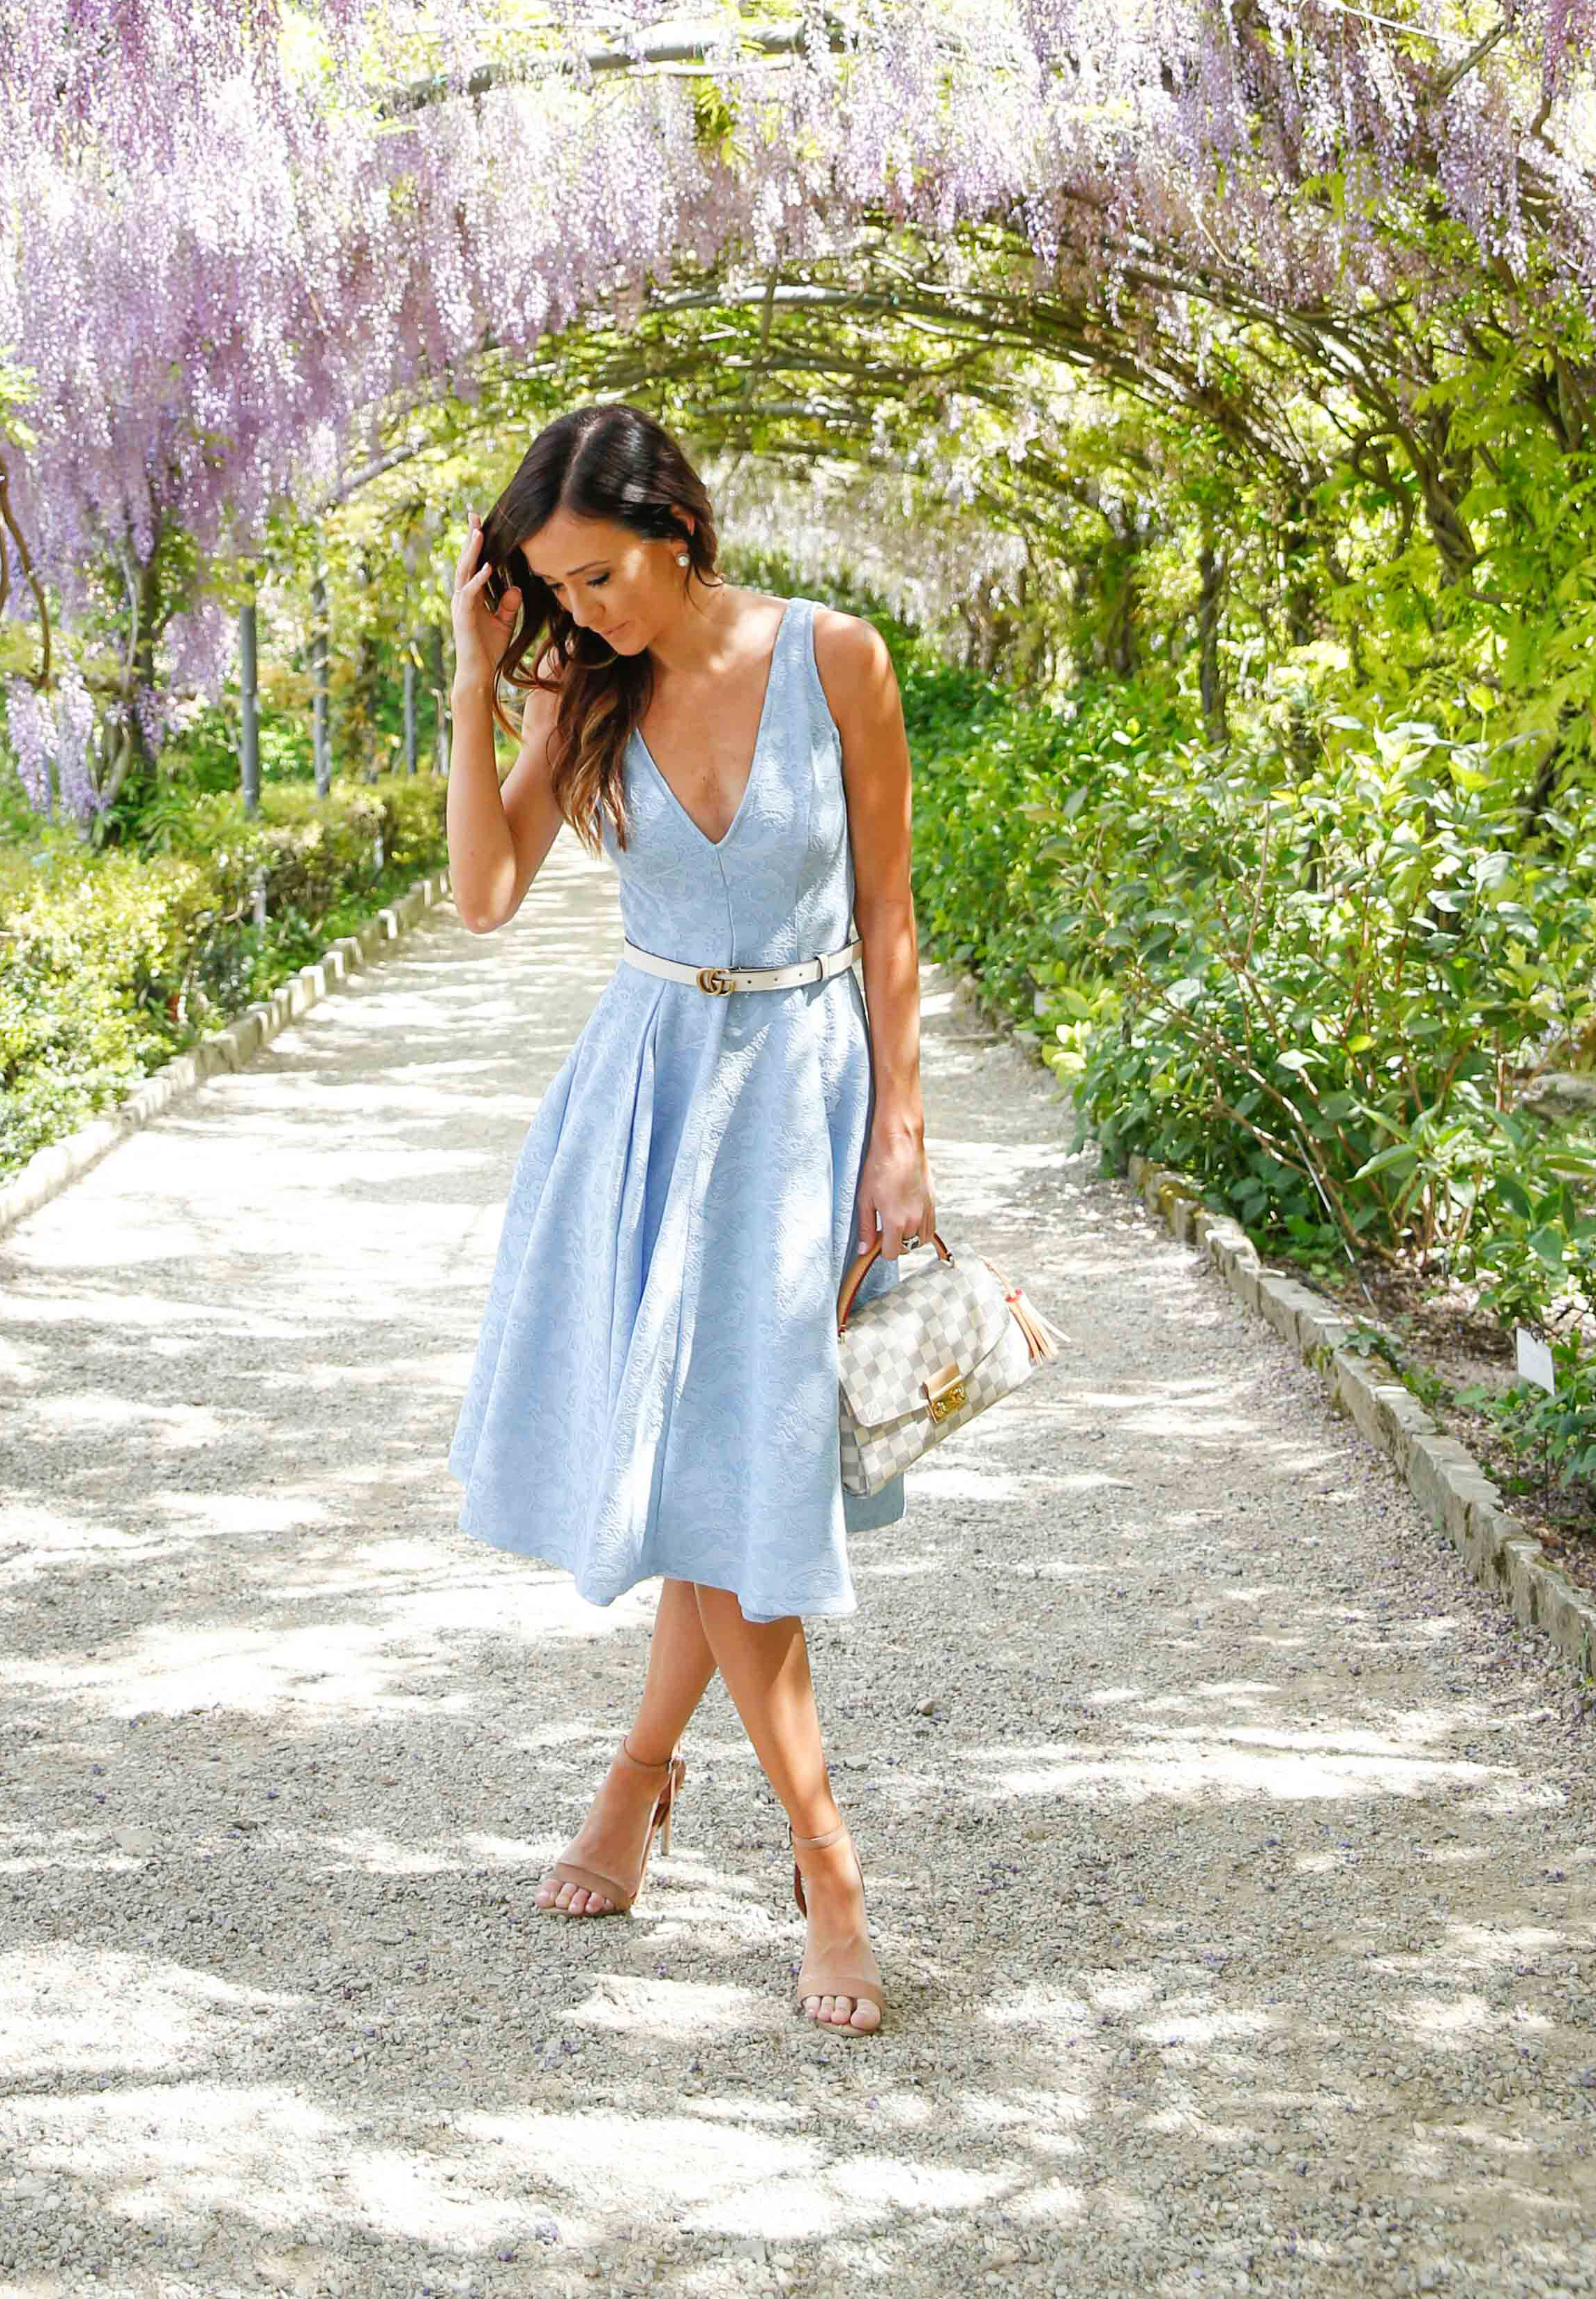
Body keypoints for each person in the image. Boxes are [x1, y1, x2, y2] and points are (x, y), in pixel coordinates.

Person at [443, 402, 935, 2038]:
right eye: (556, 586)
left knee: (728, 1478)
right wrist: (475, 681)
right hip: (646, 1098)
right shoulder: (586, 685)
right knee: (700, 1478)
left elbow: (886, 909)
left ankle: (651, 1786)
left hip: (798, 1099)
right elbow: (485, 896)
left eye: (597, 574)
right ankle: (819, 1852)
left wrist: (905, 1140)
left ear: (674, 526)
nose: (583, 609)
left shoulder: (836, 657)